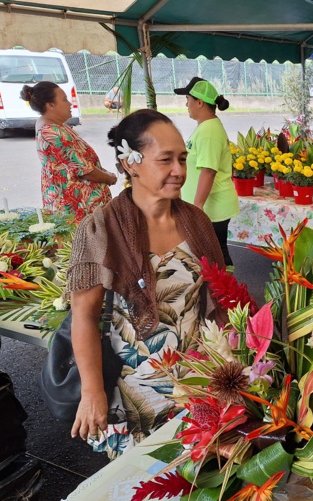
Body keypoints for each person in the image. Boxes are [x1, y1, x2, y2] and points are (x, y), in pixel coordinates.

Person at [66, 109, 228, 458]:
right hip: (133, 391)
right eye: (166, 160)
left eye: (183, 159)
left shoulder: (196, 222)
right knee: (141, 488)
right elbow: (84, 315)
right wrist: (92, 391)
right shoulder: (99, 230)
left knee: (203, 475)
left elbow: (219, 295)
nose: (180, 171)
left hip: (196, 382)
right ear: (131, 163)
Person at [20, 81, 117, 222]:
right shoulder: (51, 132)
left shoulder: (55, 125)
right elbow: (84, 170)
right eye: (64, 100)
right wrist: (109, 178)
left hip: (79, 205)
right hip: (75, 207)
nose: (69, 104)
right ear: (50, 105)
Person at [174, 77, 235, 265]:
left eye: (188, 99)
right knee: (213, 253)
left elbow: (208, 171)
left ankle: (228, 292)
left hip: (211, 207)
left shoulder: (209, 131)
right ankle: (225, 291)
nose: (186, 104)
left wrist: (198, 207)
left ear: (199, 102)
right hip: (207, 206)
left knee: (217, 255)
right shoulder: (206, 127)